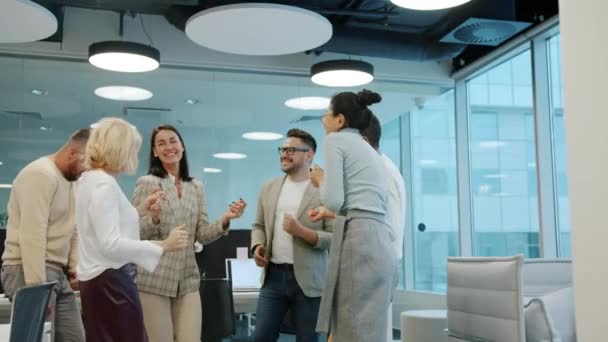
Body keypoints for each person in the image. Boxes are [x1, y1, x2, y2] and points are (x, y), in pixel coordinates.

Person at [76, 117, 189, 342]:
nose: (134, 156)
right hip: (112, 282)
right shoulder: (104, 185)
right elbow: (110, 244)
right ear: (119, 149)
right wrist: (163, 245)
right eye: (132, 149)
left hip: (98, 282)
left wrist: (139, 210)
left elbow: (102, 227)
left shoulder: (89, 180)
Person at [132, 124, 246, 342]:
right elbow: (136, 231)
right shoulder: (147, 183)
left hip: (187, 280)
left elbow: (201, 234)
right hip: (155, 279)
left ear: (182, 146)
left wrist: (225, 219)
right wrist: (154, 217)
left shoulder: (196, 187)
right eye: (161, 143)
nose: (169, 147)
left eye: (173, 141)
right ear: (154, 152)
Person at [310, 89, 395, 342]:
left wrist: (321, 179)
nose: (324, 120)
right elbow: (367, 200)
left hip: (358, 240)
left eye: (326, 114)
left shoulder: (335, 140)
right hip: (381, 241)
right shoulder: (370, 150)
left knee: (349, 328)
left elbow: (335, 200)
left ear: (339, 120)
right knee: (370, 331)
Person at [1, 128, 90, 342]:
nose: (85, 172)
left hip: (56, 271)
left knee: (74, 337)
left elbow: (73, 229)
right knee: (35, 337)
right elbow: (33, 234)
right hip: (27, 268)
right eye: (86, 165)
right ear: (72, 154)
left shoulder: (72, 181)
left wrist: (74, 267)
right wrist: (37, 290)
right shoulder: (40, 174)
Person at [251, 129, 333, 342]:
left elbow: (333, 237)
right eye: (282, 149)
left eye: (291, 150)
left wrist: (301, 232)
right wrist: (257, 247)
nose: (284, 154)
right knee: (261, 337)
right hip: (273, 277)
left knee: (308, 339)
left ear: (309, 155)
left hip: (309, 282)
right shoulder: (268, 187)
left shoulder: (324, 190)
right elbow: (258, 225)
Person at [360, 114, 407, 341]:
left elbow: (389, 228)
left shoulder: (382, 172)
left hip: (379, 262)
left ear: (363, 142)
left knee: (375, 333)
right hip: (375, 261)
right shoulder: (377, 169)